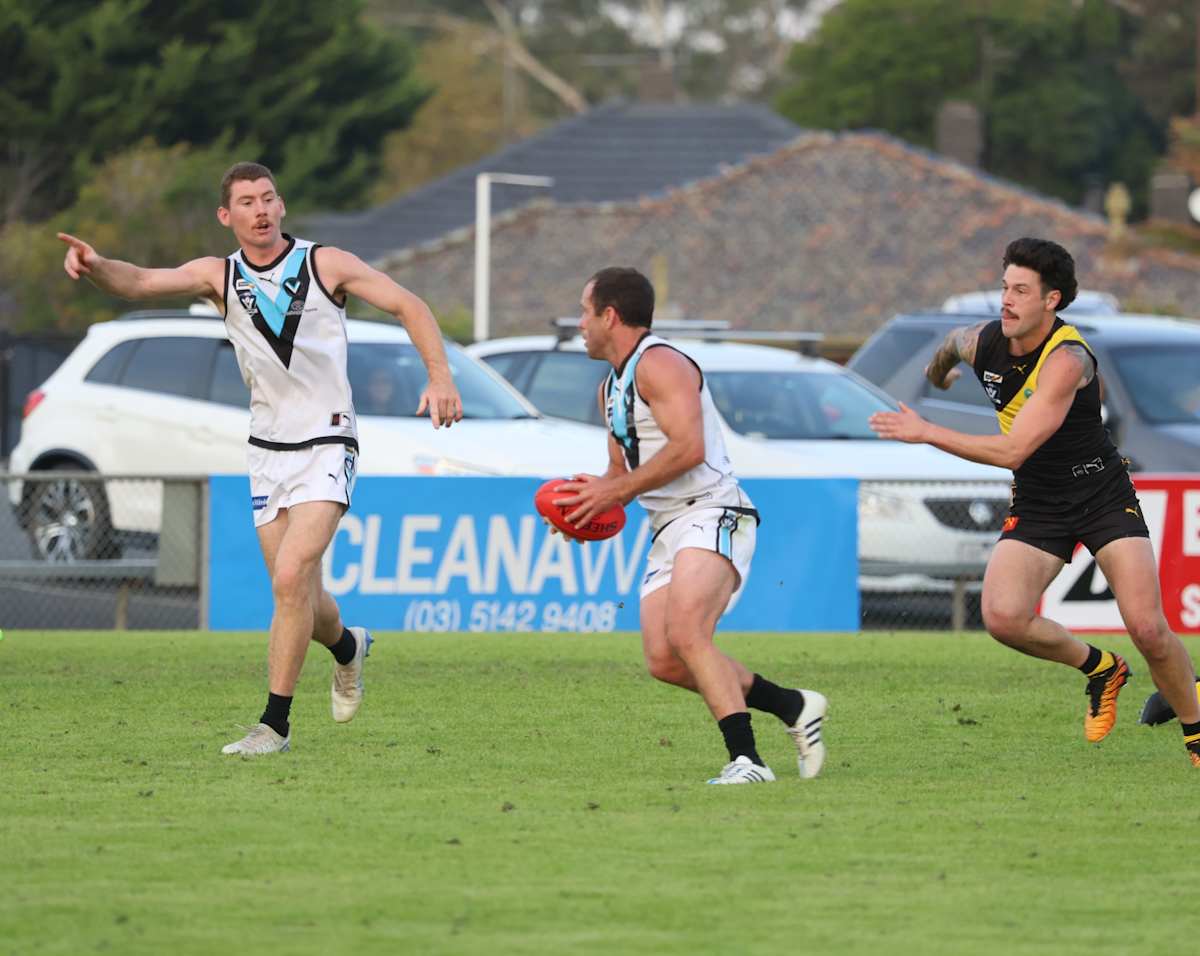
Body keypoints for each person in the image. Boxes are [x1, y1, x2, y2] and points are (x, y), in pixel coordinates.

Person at [59, 161, 463, 756]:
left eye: (269, 197)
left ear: (282, 205)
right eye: (247, 202)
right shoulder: (218, 275)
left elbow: (409, 305)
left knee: (292, 576)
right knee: (299, 595)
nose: (261, 209)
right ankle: (349, 647)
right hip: (268, 450)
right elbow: (140, 282)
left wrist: (440, 375)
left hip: (329, 441)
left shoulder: (325, 264)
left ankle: (274, 725)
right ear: (226, 216)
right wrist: (96, 267)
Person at [869, 237, 1200, 767]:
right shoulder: (983, 341)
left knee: (1147, 628)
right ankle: (1102, 669)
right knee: (1003, 616)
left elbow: (1014, 450)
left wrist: (927, 430)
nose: (1007, 300)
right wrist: (938, 376)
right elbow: (950, 344)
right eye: (1005, 287)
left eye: (1021, 291)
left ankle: (1196, 732)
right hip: (1040, 499)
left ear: (1052, 300)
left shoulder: (1067, 360)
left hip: (1100, 494)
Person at [552, 267, 828, 785]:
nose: (579, 324)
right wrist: (584, 507)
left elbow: (690, 448)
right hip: (667, 526)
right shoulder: (610, 388)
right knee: (665, 660)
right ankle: (791, 705)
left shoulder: (660, 363)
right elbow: (618, 474)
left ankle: (748, 761)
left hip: (713, 509)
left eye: (584, 312)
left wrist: (617, 491)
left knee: (687, 633)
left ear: (610, 316)